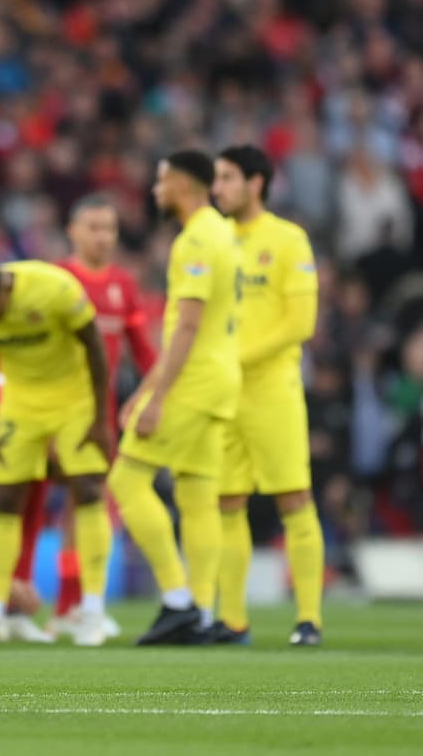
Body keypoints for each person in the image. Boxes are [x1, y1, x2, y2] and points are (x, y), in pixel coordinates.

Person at [0, 260, 113, 647]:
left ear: (5, 289)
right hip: (19, 401)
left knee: (87, 490)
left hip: (74, 398)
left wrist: (102, 419)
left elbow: (96, 348)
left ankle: (93, 610)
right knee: (2, 499)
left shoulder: (55, 289)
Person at [108, 150, 241, 646]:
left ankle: (177, 600)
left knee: (127, 478)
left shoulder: (197, 239)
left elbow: (187, 323)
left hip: (193, 380)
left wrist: (157, 397)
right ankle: (204, 611)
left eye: (162, 180)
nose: (155, 189)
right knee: (197, 493)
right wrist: (145, 388)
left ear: (184, 184)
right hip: (220, 376)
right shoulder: (224, 231)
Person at [211, 145, 323, 647]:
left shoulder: (287, 239)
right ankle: (233, 620)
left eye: (228, 178)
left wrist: (236, 357)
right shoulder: (211, 240)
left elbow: (300, 322)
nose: (218, 189)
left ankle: (308, 620)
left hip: (272, 391)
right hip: (222, 395)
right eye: (216, 179)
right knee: (226, 502)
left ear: (256, 182)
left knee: (293, 498)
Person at [50, 194, 157, 637]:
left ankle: (73, 606)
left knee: (86, 506)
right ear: (73, 231)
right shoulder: (58, 280)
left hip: (99, 415)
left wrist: (156, 396)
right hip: (50, 410)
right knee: (35, 504)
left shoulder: (123, 284)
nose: (102, 237)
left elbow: (145, 353)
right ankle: (42, 607)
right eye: (93, 227)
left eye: (109, 228)